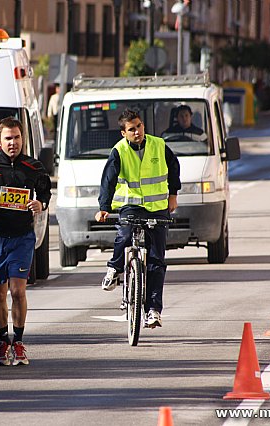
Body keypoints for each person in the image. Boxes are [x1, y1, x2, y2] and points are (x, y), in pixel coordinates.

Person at [0, 117, 52, 366]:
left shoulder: (33, 166)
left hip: (22, 237)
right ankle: (3, 340)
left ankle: (19, 342)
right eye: (8, 138)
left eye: (17, 137)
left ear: (22, 139)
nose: (13, 143)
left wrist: (41, 203)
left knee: (18, 291)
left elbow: (45, 192)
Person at [95, 109, 180, 329]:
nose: (137, 132)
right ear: (123, 133)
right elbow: (108, 181)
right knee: (124, 234)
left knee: (156, 261)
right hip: (131, 206)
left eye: (139, 126)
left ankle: (153, 310)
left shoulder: (158, 145)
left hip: (158, 208)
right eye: (132, 129)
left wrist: (173, 195)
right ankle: (114, 269)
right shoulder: (119, 151)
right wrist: (104, 208)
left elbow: (173, 167)